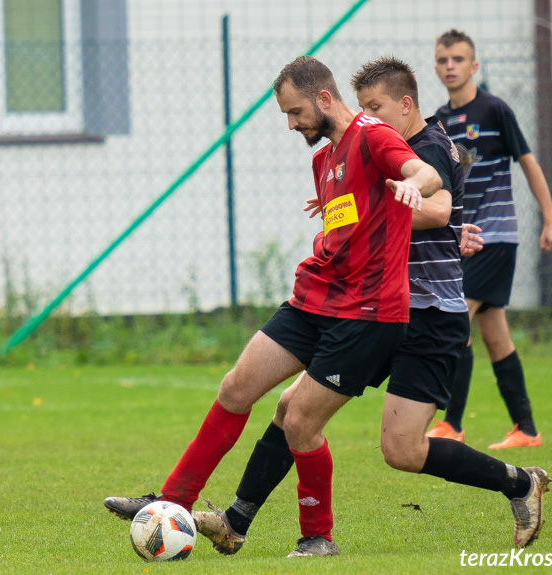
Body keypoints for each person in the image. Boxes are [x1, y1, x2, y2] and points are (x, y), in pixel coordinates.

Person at [189, 56, 551, 558]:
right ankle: (238, 520)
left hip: (428, 316)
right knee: (294, 410)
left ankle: (518, 483)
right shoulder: (369, 146)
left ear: (406, 105)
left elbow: (440, 205)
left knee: (401, 450)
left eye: (376, 108)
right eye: (363, 109)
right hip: (374, 309)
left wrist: (386, 206)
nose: (368, 119)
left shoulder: (429, 147)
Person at [104, 55, 443, 558]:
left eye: (295, 112)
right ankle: (172, 504)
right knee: (236, 386)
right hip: (317, 299)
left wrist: (414, 185)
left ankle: (317, 537)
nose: (291, 124)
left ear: (324, 98)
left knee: (300, 419)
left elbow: (425, 172)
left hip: (368, 315)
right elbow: (351, 218)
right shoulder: (322, 160)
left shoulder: (373, 135)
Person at [426, 29, 552, 448]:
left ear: (474, 65)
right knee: (495, 335)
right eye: (443, 59)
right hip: (462, 239)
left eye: (458, 59)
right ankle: (526, 429)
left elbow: (528, 163)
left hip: (496, 236)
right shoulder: (439, 120)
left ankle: (450, 423)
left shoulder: (495, 110)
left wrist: (551, 219)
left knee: (454, 319)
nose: (450, 66)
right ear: (436, 66)